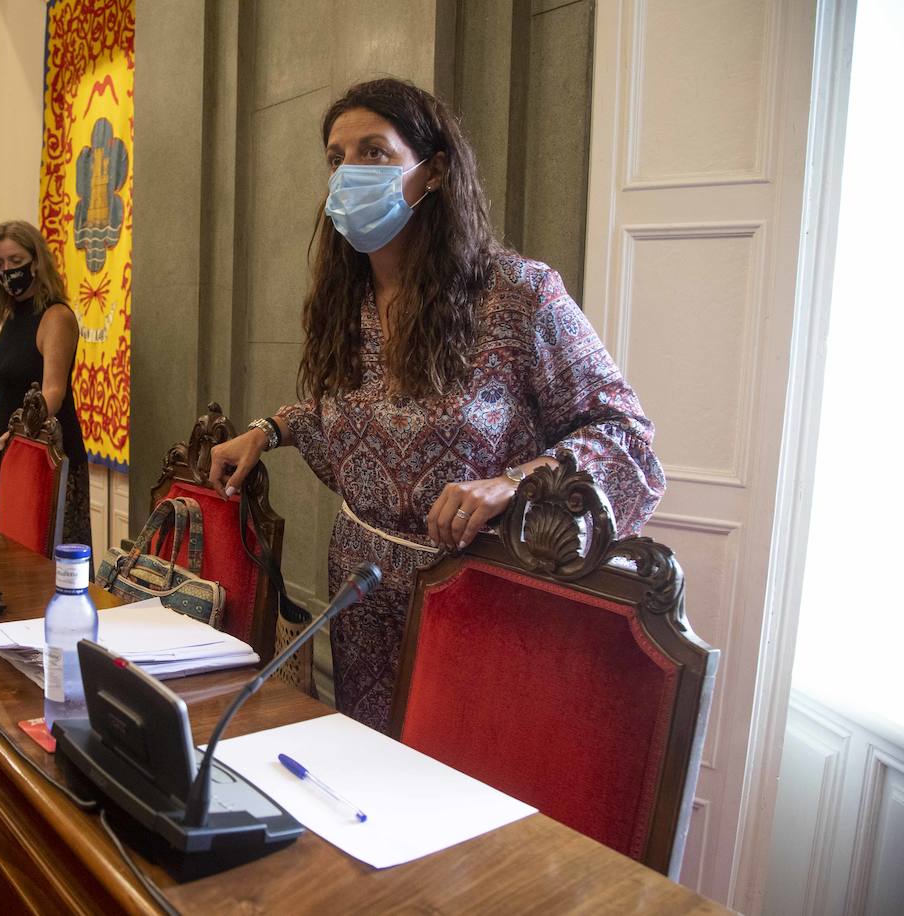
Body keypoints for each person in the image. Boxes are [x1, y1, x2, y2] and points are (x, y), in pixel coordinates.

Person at [209, 78, 665, 732]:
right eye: (337, 159)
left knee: (457, 786)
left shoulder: (520, 295)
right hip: (360, 598)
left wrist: (513, 483)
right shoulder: (348, 301)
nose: (348, 174)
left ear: (434, 171)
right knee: (368, 789)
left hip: (477, 603)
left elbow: (627, 437)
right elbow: (358, 414)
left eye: (374, 153)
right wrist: (271, 428)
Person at [0, 220, 91, 546]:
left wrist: (23, 430)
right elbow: (14, 377)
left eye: (15, 262)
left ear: (36, 262)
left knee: (46, 565)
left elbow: (53, 389)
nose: (7, 271)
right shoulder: (12, 314)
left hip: (46, 454)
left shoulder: (56, 317)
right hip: (12, 451)